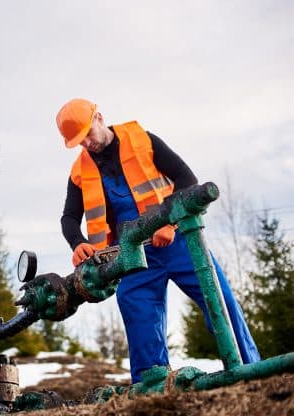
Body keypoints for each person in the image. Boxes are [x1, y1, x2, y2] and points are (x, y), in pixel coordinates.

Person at [56, 98, 260, 383]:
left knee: (220, 301)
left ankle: (251, 373)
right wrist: (77, 242)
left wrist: (170, 221)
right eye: (79, 141)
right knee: (139, 320)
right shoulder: (79, 172)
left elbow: (187, 179)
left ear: (99, 117)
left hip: (178, 243)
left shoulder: (143, 140)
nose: (87, 143)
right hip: (132, 256)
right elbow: (68, 218)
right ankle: (151, 389)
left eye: (88, 133)